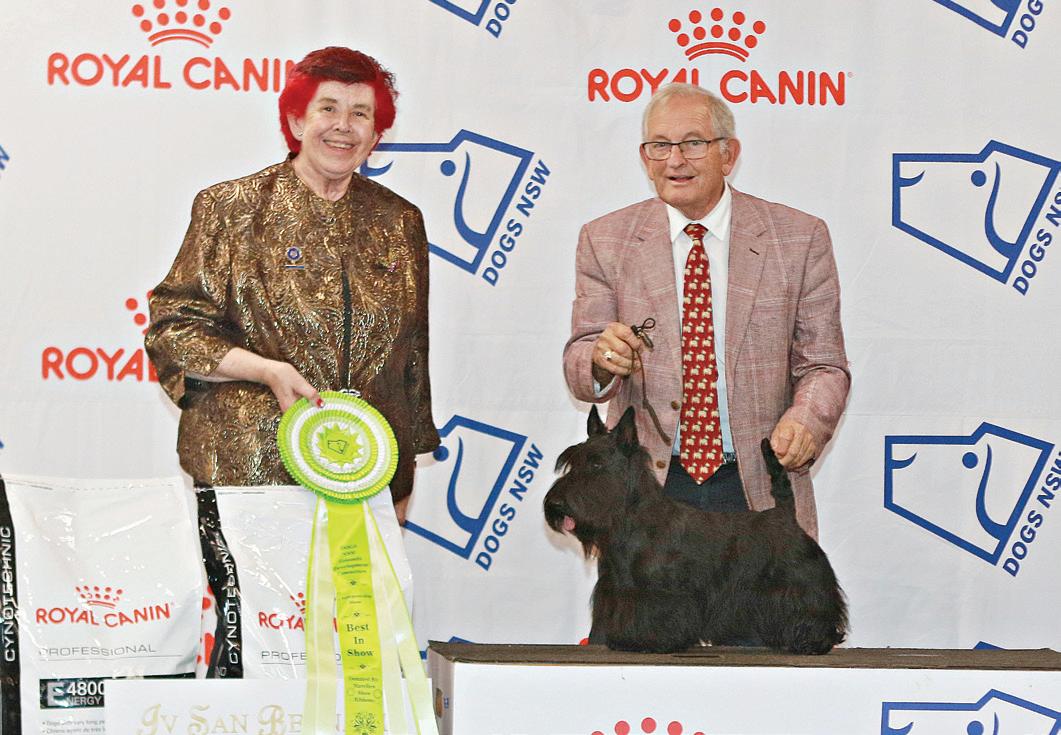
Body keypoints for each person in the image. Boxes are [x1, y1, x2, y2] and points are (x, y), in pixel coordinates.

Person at [146, 47, 439, 523]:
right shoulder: (231, 208)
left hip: (367, 476)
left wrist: (402, 475)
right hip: (249, 473)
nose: (343, 126)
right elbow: (174, 332)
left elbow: (412, 351)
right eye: (328, 108)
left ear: (375, 134)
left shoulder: (400, 220)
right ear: (297, 121)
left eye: (360, 113)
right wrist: (267, 371)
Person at [562, 83, 849, 537]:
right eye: (660, 146)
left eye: (693, 143)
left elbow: (824, 365)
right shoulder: (605, 239)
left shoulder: (799, 238)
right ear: (645, 159)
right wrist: (600, 359)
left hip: (758, 488)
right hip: (647, 491)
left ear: (728, 154)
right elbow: (581, 365)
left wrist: (805, 422)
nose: (675, 160)